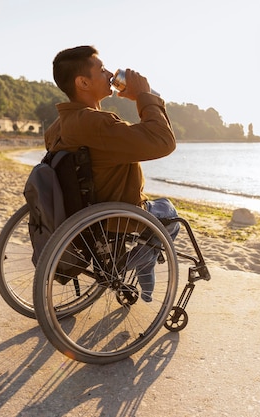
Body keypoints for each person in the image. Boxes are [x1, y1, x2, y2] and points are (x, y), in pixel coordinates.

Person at [44, 45, 179, 302]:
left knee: (160, 208)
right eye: (101, 69)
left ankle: (143, 262)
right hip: (116, 218)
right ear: (83, 82)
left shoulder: (57, 127)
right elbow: (163, 141)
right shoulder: (96, 123)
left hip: (81, 216)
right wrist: (143, 96)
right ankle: (143, 260)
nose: (109, 73)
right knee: (169, 212)